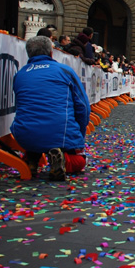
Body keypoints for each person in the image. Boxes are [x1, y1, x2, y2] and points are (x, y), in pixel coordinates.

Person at [11, 36, 90, 181]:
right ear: (51, 52)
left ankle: (31, 158)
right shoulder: (65, 71)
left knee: (35, 125)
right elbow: (83, 106)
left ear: (28, 54)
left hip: (24, 135)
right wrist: (79, 135)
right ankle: (64, 161)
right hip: (60, 131)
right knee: (79, 161)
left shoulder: (19, 75)